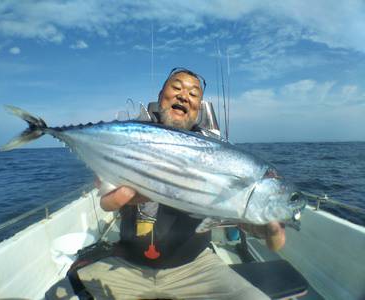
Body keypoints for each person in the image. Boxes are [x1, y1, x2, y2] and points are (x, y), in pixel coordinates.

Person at [46, 68, 285, 300]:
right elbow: (108, 203)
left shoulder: (218, 155)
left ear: (198, 108)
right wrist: (118, 198)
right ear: (161, 96)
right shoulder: (131, 137)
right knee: (53, 296)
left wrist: (271, 226)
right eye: (177, 88)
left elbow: (275, 243)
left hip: (196, 268)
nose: (184, 96)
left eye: (193, 94)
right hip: (127, 264)